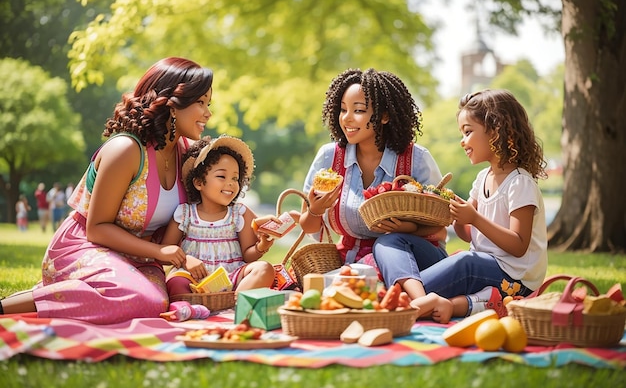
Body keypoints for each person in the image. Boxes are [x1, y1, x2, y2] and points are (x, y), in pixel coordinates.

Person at [0, 57, 214, 324]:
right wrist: (160, 253)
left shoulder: (184, 154)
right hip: (85, 247)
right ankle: (8, 307)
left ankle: (59, 297)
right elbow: (97, 227)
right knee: (142, 300)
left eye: (208, 104)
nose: (208, 113)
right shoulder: (126, 150)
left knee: (157, 302)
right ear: (172, 104)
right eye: (201, 103)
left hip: (139, 258)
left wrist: (253, 234)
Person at [374, 89, 548, 323]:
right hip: (480, 268)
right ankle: (420, 298)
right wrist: (457, 214)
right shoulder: (482, 178)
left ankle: (396, 298)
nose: (462, 140)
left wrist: (474, 217)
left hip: (513, 277)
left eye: (468, 132)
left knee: (465, 262)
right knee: (389, 241)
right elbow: (467, 235)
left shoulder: (520, 182)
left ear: (495, 131)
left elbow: (518, 245)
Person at [299, 68, 448, 272]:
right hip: (348, 261)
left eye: (358, 110)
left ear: (384, 116)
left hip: (409, 259)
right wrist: (315, 211)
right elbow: (308, 227)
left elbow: (440, 224)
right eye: (343, 110)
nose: (347, 118)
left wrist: (406, 228)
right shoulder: (329, 157)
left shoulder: (417, 159)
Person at [163, 135, 278, 296]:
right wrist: (185, 260)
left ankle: (235, 304)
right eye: (221, 176)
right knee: (175, 281)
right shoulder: (185, 213)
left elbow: (248, 256)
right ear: (198, 183)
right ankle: (193, 306)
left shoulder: (239, 214)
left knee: (264, 269)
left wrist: (262, 246)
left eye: (235, 178)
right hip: (195, 278)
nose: (230, 183)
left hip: (232, 279)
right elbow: (165, 251)